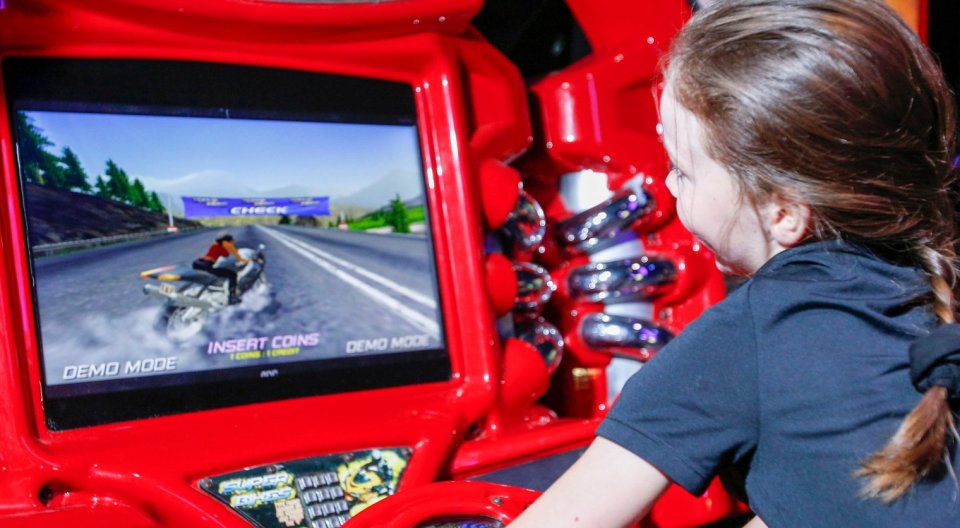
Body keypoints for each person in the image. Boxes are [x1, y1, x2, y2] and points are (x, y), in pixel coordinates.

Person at [510, 0, 960, 526]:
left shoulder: (752, 332)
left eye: (682, 169)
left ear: (783, 213)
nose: (670, 184)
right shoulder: (928, 286)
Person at [193, 231, 250, 305]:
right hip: (206, 265)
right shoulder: (223, 248)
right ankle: (232, 298)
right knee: (232, 275)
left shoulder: (215, 245)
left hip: (197, 263)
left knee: (218, 272)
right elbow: (229, 259)